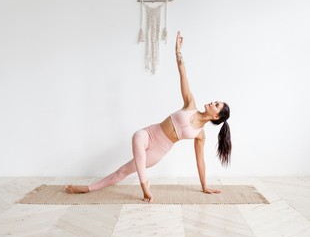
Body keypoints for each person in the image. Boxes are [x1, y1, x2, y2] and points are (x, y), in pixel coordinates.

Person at [66, 31, 232, 202]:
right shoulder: (191, 104)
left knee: (122, 171)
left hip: (159, 151)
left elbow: (200, 162)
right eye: (215, 101)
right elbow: (183, 74)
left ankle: (87, 188)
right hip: (150, 134)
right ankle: (145, 187)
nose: (213, 102)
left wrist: (204, 186)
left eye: (217, 105)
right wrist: (177, 51)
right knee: (137, 136)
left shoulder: (200, 135)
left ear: (216, 117)